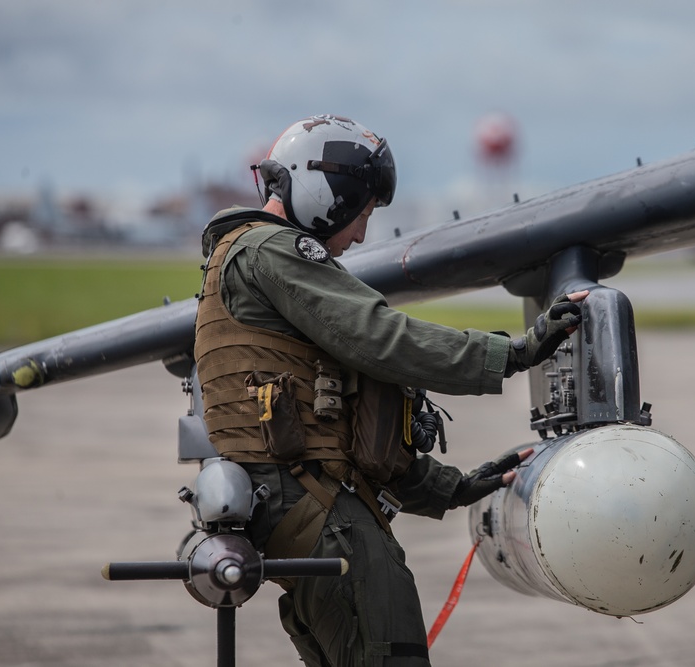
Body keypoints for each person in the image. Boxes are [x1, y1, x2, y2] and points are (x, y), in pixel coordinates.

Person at [193, 114, 587, 666]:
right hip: (320, 515)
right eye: (363, 213)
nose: (361, 234)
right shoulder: (271, 251)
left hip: (309, 506)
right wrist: (513, 354)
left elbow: (331, 424)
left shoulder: (243, 260)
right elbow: (379, 337)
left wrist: (450, 487)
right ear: (327, 195)